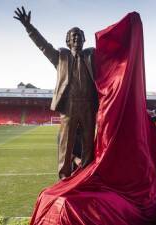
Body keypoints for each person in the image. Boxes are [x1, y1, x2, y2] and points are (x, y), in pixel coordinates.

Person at [14, 7, 98, 179]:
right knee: (65, 144)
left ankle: (88, 178)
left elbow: (113, 53)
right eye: (73, 36)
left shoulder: (92, 56)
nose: (76, 38)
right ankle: (64, 178)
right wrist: (29, 27)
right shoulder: (60, 57)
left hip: (89, 105)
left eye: (79, 35)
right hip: (69, 106)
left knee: (89, 143)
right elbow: (43, 46)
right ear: (68, 41)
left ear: (84, 39)